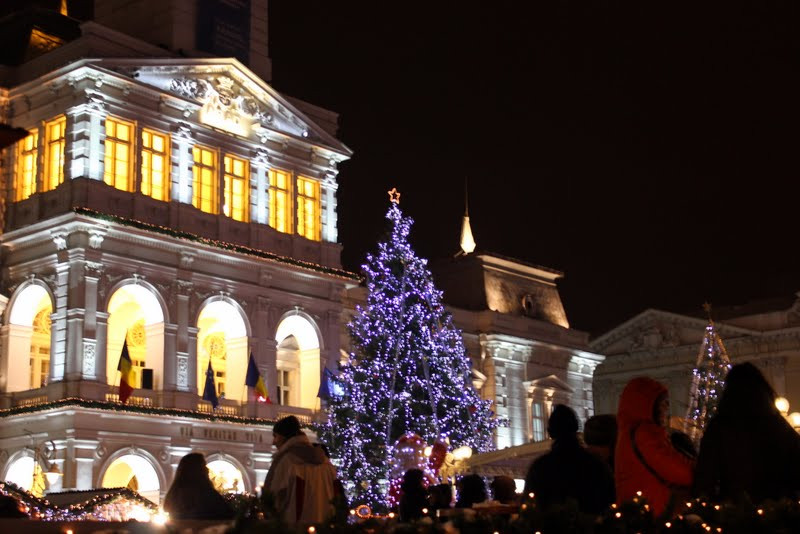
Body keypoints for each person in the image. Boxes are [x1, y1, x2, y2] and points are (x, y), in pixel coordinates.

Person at [693, 362, 800, 503]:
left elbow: (706, 476)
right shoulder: (778, 424)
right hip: (779, 511)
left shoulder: (720, 425)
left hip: (735, 512)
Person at [615, 377, 694, 518]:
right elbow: (679, 471)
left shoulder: (629, 431)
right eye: (663, 403)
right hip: (655, 512)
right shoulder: (645, 433)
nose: (666, 409)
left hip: (640, 511)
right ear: (648, 404)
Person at [523, 404, 614, 515]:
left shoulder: (540, 467)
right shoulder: (595, 464)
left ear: (550, 432)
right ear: (576, 428)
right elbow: (609, 500)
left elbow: (529, 506)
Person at [262, 415, 338, 527]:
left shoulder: (287, 461)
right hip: (324, 527)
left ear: (283, 437)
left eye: (275, 436)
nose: (274, 442)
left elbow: (274, 497)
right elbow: (336, 496)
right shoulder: (326, 463)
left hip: (295, 527)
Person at [163, 452, 235, 520]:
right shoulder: (208, 495)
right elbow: (229, 516)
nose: (207, 469)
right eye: (204, 466)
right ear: (197, 471)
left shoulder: (174, 495)